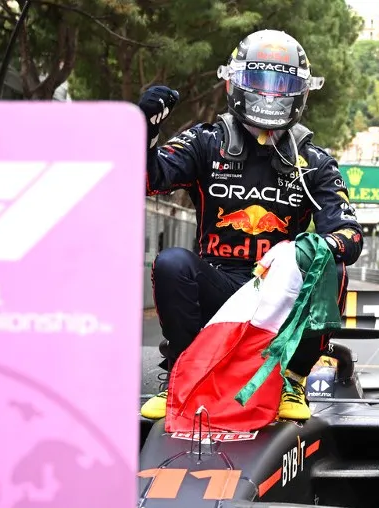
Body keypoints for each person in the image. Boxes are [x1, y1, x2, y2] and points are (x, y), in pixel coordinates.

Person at [138, 29, 364, 421]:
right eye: (260, 81)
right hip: (219, 284)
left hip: (281, 292)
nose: (270, 94)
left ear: (301, 91)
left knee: (331, 266)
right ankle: (183, 375)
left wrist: (319, 248)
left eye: (282, 85)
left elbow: (350, 235)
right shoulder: (205, 143)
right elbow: (148, 179)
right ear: (234, 82)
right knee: (171, 262)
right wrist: (142, 130)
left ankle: (292, 379)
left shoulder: (315, 162)